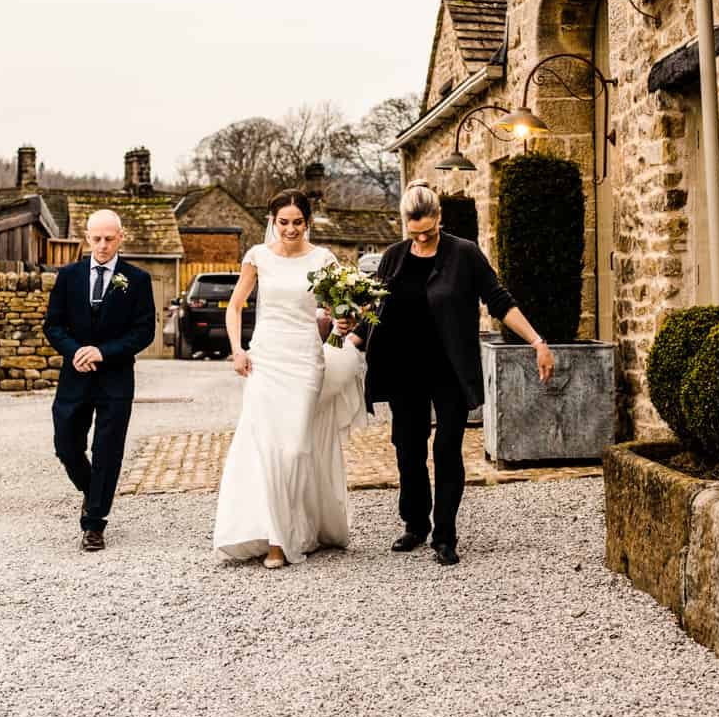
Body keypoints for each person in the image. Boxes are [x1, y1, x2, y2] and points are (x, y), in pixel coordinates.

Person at [356, 182, 554, 567]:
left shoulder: (464, 254)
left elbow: (499, 300)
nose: (423, 238)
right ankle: (415, 524)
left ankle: (444, 535)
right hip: (405, 369)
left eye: (429, 231)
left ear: (440, 218)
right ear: (405, 225)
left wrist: (537, 342)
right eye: (415, 233)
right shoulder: (394, 257)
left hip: (450, 369)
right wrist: (348, 334)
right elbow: (374, 312)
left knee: (447, 449)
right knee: (408, 448)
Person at [212, 190, 365, 569]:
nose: (291, 228)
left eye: (298, 222)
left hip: (304, 360)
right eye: (284, 222)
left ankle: (291, 530)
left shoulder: (323, 259)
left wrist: (346, 320)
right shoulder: (257, 257)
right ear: (272, 221)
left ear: (307, 222)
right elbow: (235, 306)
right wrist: (237, 349)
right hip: (265, 358)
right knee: (264, 444)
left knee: (296, 447)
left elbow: (337, 312)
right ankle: (274, 538)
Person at [43, 209, 158, 552]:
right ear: (87, 237)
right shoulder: (69, 276)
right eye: (97, 239)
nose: (103, 245)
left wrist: (103, 352)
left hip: (116, 378)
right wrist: (76, 351)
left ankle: (94, 523)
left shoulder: (137, 280)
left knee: (108, 450)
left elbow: (143, 331)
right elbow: (53, 324)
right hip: (74, 376)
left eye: (110, 239)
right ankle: (93, 490)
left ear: (121, 237)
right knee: (66, 444)